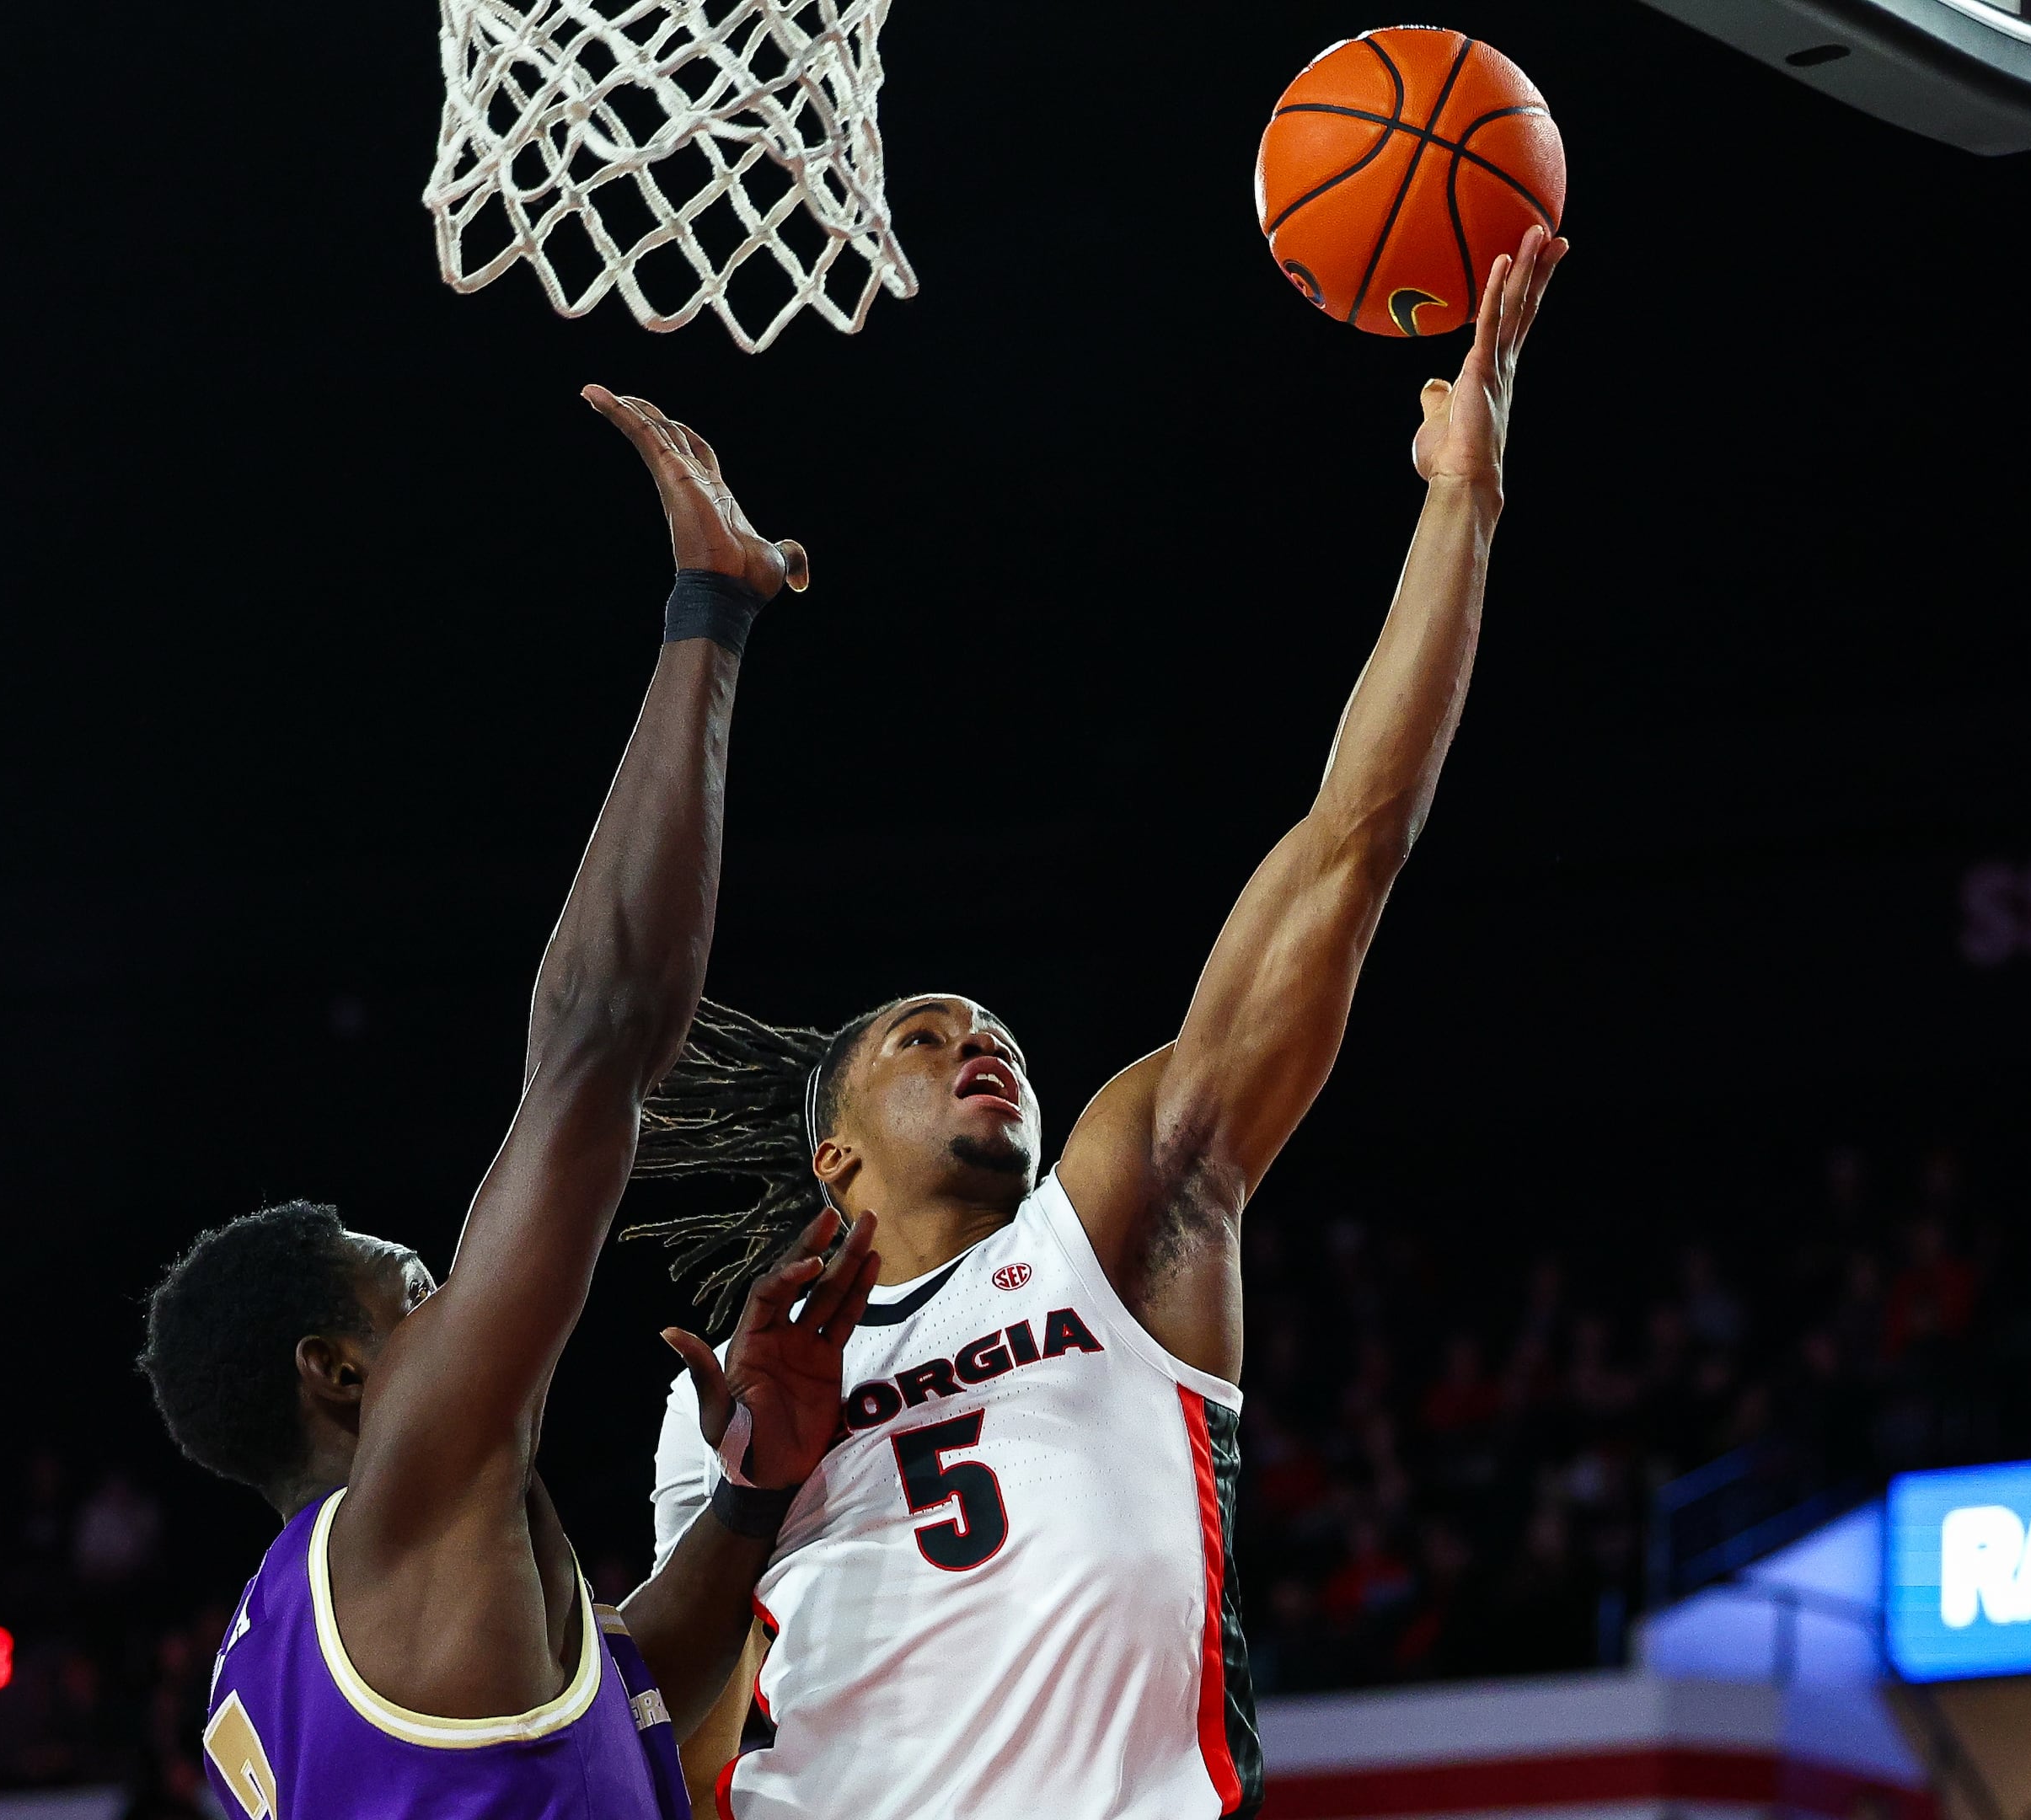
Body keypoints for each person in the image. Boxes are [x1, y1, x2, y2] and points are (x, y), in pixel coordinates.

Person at [630, 227, 1567, 1818]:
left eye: (988, 1024)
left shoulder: (1116, 1225)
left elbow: (1349, 845)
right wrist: (741, 1497)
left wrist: (1460, 503)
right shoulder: (729, 1377)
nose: (975, 1039)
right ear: (835, 1156)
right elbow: (674, 1728)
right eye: (920, 1038)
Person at [135, 391, 882, 1820]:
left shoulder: (288, 1644)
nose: (460, 1309)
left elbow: (621, 1695)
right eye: (414, 1291)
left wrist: (746, 1498)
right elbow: (596, 1041)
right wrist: (707, 621)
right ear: (339, 1376)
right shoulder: (399, 1501)